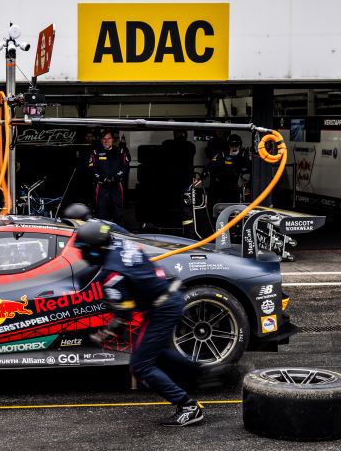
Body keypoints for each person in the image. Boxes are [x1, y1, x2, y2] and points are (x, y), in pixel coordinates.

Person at [73, 219, 205, 427]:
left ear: (95, 249)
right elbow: (111, 227)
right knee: (154, 351)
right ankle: (200, 374)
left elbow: (123, 316)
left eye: (84, 249)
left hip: (162, 309)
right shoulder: (119, 242)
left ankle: (188, 406)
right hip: (167, 297)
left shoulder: (111, 275)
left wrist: (104, 334)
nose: (81, 254)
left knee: (140, 365)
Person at [88, 129, 131, 224]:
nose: (106, 141)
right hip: (102, 185)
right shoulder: (95, 153)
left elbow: (125, 167)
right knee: (101, 209)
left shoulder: (120, 151)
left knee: (118, 209)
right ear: (101, 140)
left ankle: (119, 232)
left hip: (116, 185)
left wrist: (115, 177)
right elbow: (92, 168)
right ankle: (100, 233)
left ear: (113, 140)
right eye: (104, 139)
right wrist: (102, 178)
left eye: (109, 138)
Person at [204, 133, 251, 206]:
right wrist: (203, 175)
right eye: (232, 145)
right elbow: (210, 166)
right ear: (228, 145)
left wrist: (247, 184)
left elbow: (249, 170)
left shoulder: (244, 155)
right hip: (221, 186)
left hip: (235, 186)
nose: (234, 147)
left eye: (236, 145)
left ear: (240, 145)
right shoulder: (222, 154)